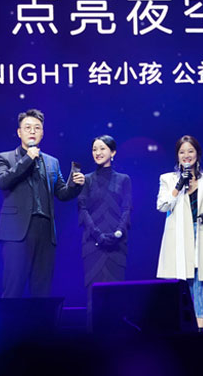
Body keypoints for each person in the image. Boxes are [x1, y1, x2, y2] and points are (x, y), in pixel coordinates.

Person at [0, 109, 85, 298]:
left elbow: (62, 193)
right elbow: (2, 181)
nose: (32, 131)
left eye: (37, 128)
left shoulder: (52, 162)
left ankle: (41, 319)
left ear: (42, 133)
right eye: (27, 127)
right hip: (17, 232)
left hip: (45, 230)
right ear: (19, 132)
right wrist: (28, 158)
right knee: (13, 288)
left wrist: (75, 185)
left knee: (42, 289)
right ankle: (10, 319)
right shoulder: (5, 157)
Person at [156, 135, 203, 332]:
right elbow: (162, 206)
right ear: (177, 155)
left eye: (190, 151)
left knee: (201, 287)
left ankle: (200, 334)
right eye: (182, 152)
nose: (186, 155)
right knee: (177, 286)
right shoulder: (167, 179)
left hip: (201, 236)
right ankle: (177, 332)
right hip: (178, 238)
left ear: (198, 154)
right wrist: (179, 185)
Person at [78, 135, 131, 326]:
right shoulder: (86, 180)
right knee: (93, 295)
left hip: (117, 244)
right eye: (94, 149)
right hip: (92, 243)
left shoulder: (123, 179)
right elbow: (82, 209)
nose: (98, 153)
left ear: (113, 152)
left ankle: (116, 337)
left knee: (116, 295)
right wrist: (97, 235)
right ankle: (92, 338)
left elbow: (127, 208)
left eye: (102, 148)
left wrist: (118, 233)